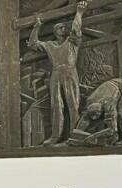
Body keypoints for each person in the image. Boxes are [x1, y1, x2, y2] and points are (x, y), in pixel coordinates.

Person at [28, 1, 87, 145]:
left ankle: (74, 134)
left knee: (73, 104)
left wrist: (79, 13)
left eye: (64, 27)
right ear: (55, 31)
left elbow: (76, 29)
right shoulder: (50, 45)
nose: (63, 28)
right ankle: (56, 136)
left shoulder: (72, 42)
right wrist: (37, 26)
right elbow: (32, 43)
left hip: (69, 72)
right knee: (56, 106)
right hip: (56, 74)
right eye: (60, 27)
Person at [72, 78, 122, 145]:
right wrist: (77, 134)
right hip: (111, 85)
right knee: (105, 122)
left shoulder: (109, 105)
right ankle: (114, 137)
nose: (93, 118)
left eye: (96, 115)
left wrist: (94, 136)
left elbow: (112, 129)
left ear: (100, 111)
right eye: (92, 115)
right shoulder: (90, 101)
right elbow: (84, 119)